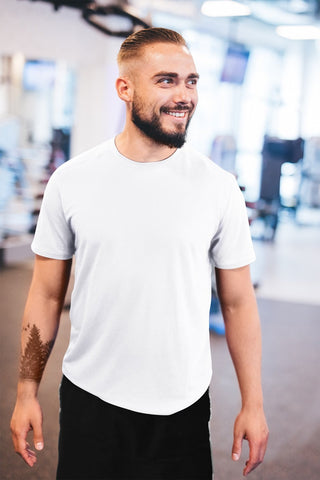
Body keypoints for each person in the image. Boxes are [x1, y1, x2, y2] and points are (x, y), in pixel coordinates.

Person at [10, 27, 268, 479]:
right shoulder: (71, 181)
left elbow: (237, 301)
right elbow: (47, 295)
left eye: (191, 81)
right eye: (167, 80)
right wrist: (26, 390)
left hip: (182, 407)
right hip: (92, 400)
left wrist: (254, 403)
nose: (184, 95)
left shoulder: (218, 187)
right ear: (124, 89)